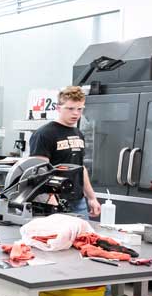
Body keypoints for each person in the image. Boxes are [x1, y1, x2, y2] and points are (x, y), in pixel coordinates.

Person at [27, 85, 100, 219]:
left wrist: (91, 198)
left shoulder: (78, 134)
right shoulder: (44, 134)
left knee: (83, 238)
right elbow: (40, 171)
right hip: (54, 200)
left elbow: (80, 168)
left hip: (78, 200)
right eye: (70, 108)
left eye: (80, 109)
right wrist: (50, 200)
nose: (76, 113)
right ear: (58, 108)